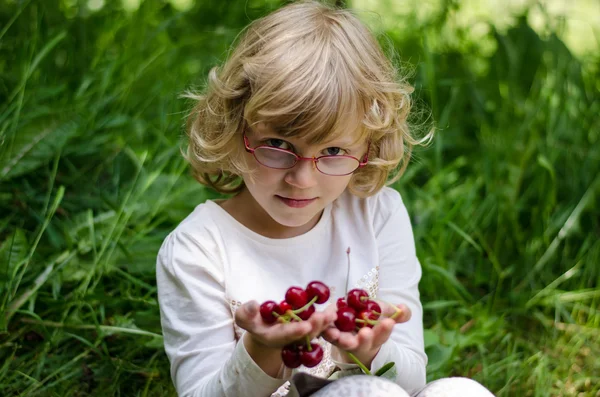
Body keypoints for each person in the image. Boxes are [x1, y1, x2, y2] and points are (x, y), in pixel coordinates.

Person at [156, 1, 494, 396]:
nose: (302, 178)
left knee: (460, 392)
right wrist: (261, 348)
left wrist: (371, 349)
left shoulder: (377, 214)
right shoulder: (199, 249)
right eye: (278, 144)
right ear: (236, 129)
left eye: (333, 152)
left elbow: (412, 381)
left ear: (368, 148)